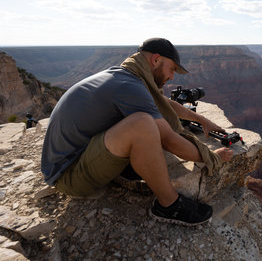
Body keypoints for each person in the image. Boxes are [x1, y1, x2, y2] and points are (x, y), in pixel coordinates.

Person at [41, 38, 234, 226]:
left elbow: (163, 102)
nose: (172, 76)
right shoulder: (129, 86)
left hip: (78, 156)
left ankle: (129, 167)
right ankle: (169, 204)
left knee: (148, 125)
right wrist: (211, 156)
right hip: (69, 176)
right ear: (156, 59)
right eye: (172, 68)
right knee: (142, 124)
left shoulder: (125, 76)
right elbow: (170, 141)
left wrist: (202, 120)